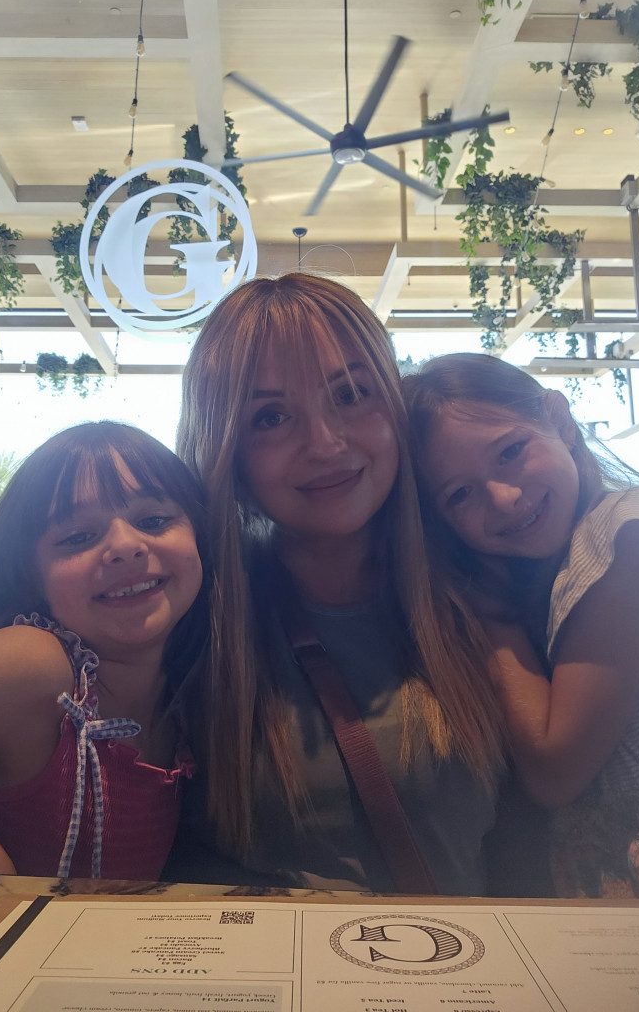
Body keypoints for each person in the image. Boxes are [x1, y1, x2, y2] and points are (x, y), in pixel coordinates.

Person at [170, 273, 506, 895]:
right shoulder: (188, 624)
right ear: (226, 449)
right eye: (271, 417)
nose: (324, 444)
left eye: (351, 394)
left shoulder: (479, 588)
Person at [0, 421, 217, 880]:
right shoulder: (33, 667)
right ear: (28, 576)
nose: (126, 546)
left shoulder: (190, 689)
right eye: (78, 537)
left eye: (154, 521)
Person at [403, 352, 639, 898]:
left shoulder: (633, 532)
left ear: (560, 420)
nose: (503, 499)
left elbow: (554, 770)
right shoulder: (556, 568)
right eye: (459, 493)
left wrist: (488, 614)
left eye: (510, 451)